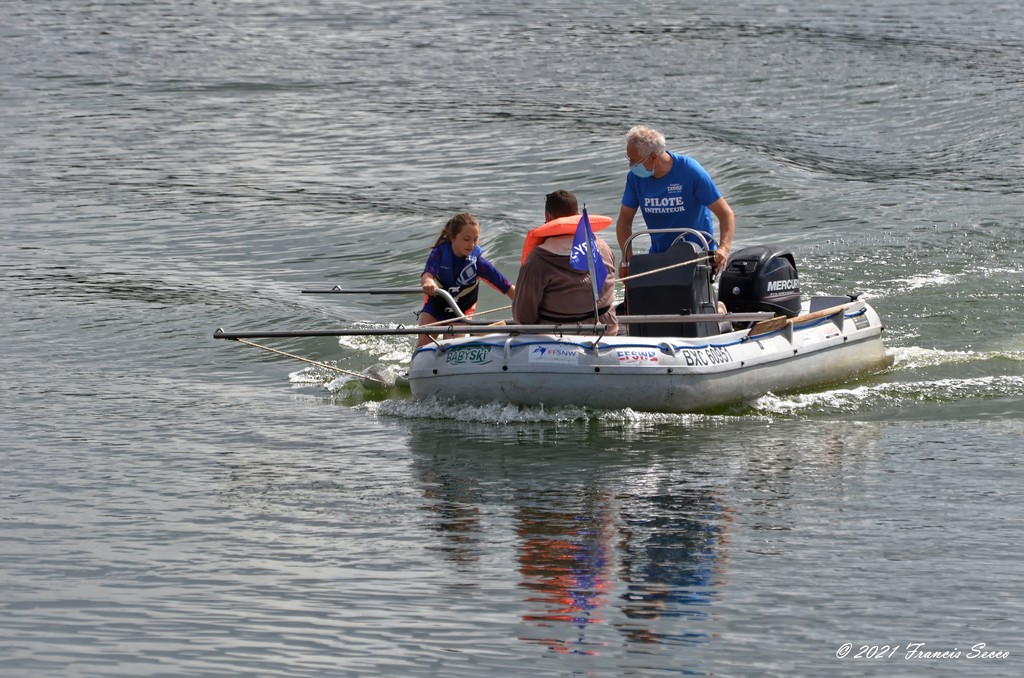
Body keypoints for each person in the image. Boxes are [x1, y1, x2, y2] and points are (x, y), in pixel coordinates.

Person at [616, 126, 735, 277]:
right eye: (629, 160)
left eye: (634, 161)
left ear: (653, 157)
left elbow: (726, 213)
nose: (631, 166)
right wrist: (627, 260)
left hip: (697, 257)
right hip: (660, 257)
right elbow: (624, 220)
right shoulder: (635, 178)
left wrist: (724, 248)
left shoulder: (690, 171)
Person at [512, 190, 618, 335]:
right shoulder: (603, 248)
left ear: (548, 216)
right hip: (606, 332)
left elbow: (523, 317)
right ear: (577, 215)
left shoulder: (538, 260)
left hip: (559, 339)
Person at [418, 212, 515, 347]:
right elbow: (427, 274)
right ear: (452, 237)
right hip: (435, 307)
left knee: (451, 347)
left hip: (461, 312)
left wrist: (524, 302)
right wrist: (428, 282)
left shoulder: (478, 263)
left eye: (475, 239)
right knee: (422, 345)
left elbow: (506, 287)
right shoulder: (439, 253)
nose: (472, 244)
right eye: (466, 239)